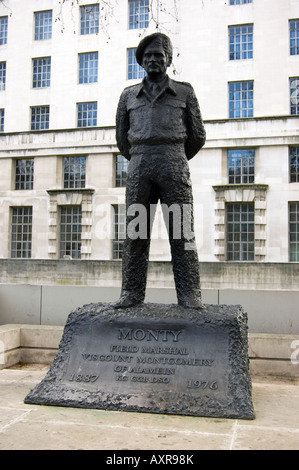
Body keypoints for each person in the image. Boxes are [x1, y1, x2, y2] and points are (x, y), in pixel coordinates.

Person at [114, 32, 206, 309]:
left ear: (168, 59)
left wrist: (174, 155)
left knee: (182, 232)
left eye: (159, 55)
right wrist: (143, 154)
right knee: (135, 233)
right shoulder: (128, 95)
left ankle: (190, 294)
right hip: (140, 165)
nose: (154, 59)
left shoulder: (185, 92)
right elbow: (121, 138)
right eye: (148, 55)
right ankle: (131, 293)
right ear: (141, 61)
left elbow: (198, 135)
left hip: (173, 165)